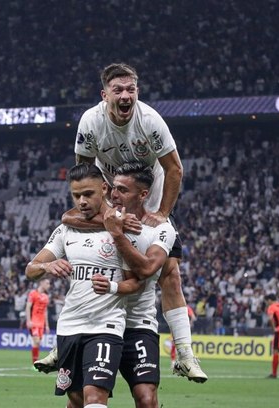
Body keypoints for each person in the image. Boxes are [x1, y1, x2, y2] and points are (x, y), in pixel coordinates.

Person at [66, 62, 206, 382]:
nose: (126, 95)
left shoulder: (150, 121)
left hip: (149, 199)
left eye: (131, 89)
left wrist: (163, 213)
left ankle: (184, 352)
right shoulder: (91, 121)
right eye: (119, 90)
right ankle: (70, 339)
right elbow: (84, 174)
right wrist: (102, 213)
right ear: (105, 95)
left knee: (169, 272)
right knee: (92, 260)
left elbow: (174, 169)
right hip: (110, 199)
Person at [26, 163, 142, 408]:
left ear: (104, 189)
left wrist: (111, 287)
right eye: (76, 196)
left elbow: (135, 282)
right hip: (69, 326)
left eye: (88, 194)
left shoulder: (122, 229)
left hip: (106, 326)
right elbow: (31, 269)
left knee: (95, 397)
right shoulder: (65, 229)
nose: (82, 201)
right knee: (77, 400)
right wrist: (48, 266)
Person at [91, 162, 178, 407]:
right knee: (84, 399)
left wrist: (117, 234)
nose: (114, 195)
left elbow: (148, 269)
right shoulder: (97, 219)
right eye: (113, 188)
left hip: (138, 324)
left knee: (146, 398)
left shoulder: (161, 229)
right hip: (99, 322)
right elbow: (68, 217)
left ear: (143, 195)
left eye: (122, 190)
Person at [26, 278, 51, 365]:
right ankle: (35, 363)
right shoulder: (33, 293)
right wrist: (28, 321)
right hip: (34, 322)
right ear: (42, 283)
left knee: (37, 343)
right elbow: (28, 307)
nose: (49, 285)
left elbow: (45, 311)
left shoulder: (46, 297)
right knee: (36, 341)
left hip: (41, 323)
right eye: (47, 283)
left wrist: (47, 325)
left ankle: (35, 362)